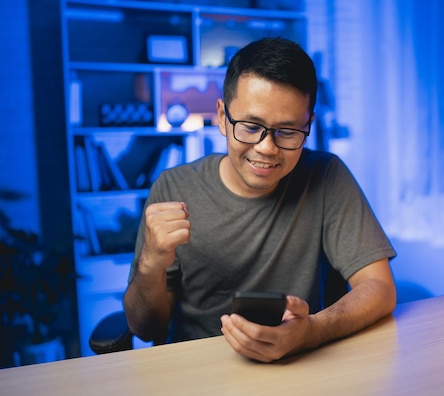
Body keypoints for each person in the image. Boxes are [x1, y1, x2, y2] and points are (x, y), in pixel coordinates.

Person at [123, 37, 397, 363]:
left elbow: (379, 287)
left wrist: (312, 330)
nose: (267, 148)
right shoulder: (173, 187)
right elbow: (147, 328)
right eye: (251, 126)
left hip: (302, 368)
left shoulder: (326, 175)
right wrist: (151, 262)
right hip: (198, 375)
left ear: (308, 125)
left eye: (287, 131)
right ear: (223, 117)